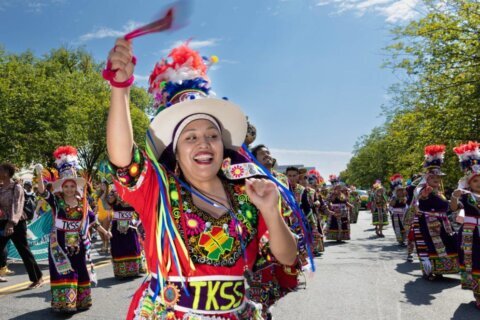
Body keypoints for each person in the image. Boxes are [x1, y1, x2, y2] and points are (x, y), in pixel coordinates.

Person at [104, 40, 299, 319]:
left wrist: (271, 210)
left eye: (212, 135)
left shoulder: (247, 194)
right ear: (175, 150)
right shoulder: (157, 191)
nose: (204, 143)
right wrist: (120, 88)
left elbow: (288, 257)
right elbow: (123, 158)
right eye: (190, 137)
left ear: (224, 146)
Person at [36, 146, 111, 313]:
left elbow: (92, 219)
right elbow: (42, 192)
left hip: (78, 241)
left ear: (75, 186)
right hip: (59, 243)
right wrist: (40, 176)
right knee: (63, 270)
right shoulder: (56, 201)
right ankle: (64, 303)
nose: (69, 189)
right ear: (61, 187)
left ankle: (81, 300)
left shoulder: (83, 202)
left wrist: (105, 232)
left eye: (71, 186)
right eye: (66, 186)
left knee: (79, 268)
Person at [411, 145, 459, 280]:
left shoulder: (439, 192)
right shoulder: (424, 190)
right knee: (432, 244)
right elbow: (420, 199)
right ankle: (432, 270)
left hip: (443, 222)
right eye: (433, 178)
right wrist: (424, 195)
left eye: (438, 178)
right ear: (427, 179)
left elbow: (447, 206)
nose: (437, 180)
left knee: (448, 241)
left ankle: (445, 268)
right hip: (429, 222)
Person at [0, 163, 43, 287]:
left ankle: (37, 278)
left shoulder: (16, 187)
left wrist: (11, 223)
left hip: (16, 223)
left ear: (7, 173)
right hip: (3, 222)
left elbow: (17, 206)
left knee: (23, 250)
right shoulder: (1, 188)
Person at [451, 141, 480, 309]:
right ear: (469, 183)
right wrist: (454, 197)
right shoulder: (465, 195)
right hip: (470, 233)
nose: (479, 184)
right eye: (476, 181)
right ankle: (477, 295)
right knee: (475, 261)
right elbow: (454, 208)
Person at [107, 186, 146, 278]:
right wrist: (114, 195)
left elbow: (140, 205)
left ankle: (135, 269)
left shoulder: (133, 190)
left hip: (130, 225)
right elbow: (108, 202)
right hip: (117, 226)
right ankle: (122, 271)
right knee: (119, 248)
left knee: (133, 247)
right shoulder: (114, 191)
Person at [325, 175, 352, 242]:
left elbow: (345, 202)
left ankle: (342, 237)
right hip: (335, 211)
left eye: (340, 188)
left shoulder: (342, 195)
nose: (339, 189)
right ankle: (337, 237)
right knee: (336, 224)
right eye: (337, 188)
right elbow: (327, 202)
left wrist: (350, 206)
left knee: (343, 223)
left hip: (343, 212)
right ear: (334, 188)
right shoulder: (331, 194)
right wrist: (330, 207)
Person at [96, 180, 113, 253]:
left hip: (107, 214)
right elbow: (98, 204)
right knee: (100, 231)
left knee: (105, 231)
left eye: (104, 185)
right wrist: (95, 211)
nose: (102, 186)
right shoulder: (100, 194)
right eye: (102, 185)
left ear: (107, 186)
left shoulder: (109, 194)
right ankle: (104, 244)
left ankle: (106, 247)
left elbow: (110, 205)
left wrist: (109, 216)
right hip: (100, 215)